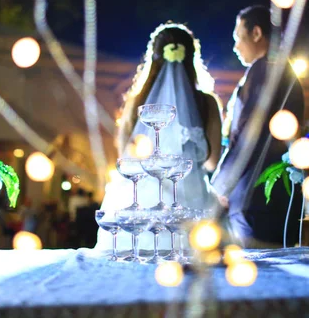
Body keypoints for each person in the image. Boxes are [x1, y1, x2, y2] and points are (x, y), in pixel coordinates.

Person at [95, 22, 222, 251]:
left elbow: (124, 158)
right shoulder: (207, 103)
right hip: (192, 205)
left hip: (138, 206)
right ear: (191, 58)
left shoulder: (135, 102)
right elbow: (212, 162)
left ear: (153, 58)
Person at [210, 5, 305, 249]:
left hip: (255, 195)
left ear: (256, 33)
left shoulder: (265, 70)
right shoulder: (285, 70)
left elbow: (248, 135)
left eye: (238, 38)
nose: (235, 46)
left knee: (258, 273)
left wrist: (219, 185)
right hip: (274, 193)